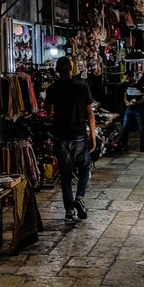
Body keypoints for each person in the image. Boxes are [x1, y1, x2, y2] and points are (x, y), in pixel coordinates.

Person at [44, 56, 96, 224]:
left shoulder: (52, 88)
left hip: (61, 135)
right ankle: (80, 197)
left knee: (65, 175)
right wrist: (93, 137)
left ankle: (69, 212)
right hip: (79, 134)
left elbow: (48, 110)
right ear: (71, 68)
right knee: (84, 167)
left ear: (57, 70)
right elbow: (90, 114)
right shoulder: (82, 87)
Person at [121, 70, 144, 152]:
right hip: (129, 109)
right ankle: (124, 145)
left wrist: (135, 103)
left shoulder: (140, 85)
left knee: (141, 128)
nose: (126, 79)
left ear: (132, 77)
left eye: (127, 78)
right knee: (125, 127)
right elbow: (125, 95)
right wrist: (126, 102)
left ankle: (142, 146)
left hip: (138, 109)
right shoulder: (126, 85)